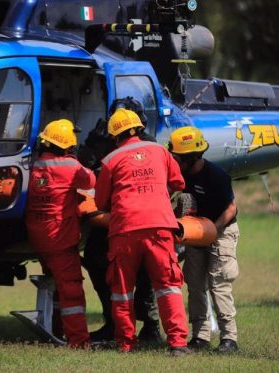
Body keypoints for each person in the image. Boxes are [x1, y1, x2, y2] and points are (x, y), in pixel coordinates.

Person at [94, 108, 190, 356]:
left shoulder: (110, 160)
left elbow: (100, 202)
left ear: (114, 135)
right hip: (159, 227)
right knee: (168, 286)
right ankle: (178, 344)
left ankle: (126, 344)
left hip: (124, 230)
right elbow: (179, 183)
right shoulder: (160, 151)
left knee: (122, 290)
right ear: (138, 128)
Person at [79, 97, 161, 343]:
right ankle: (114, 321)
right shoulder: (103, 139)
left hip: (142, 217)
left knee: (148, 272)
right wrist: (94, 142)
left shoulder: (149, 145)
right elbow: (85, 166)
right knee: (95, 260)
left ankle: (150, 324)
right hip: (110, 217)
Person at [168, 126, 240, 353]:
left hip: (222, 229)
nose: (174, 161)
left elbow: (231, 208)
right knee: (195, 284)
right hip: (196, 231)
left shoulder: (217, 176)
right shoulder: (182, 175)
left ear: (191, 157)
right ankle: (200, 337)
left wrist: (213, 231)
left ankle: (229, 339)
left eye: (177, 157)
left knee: (219, 284)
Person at [25, 119, 96, 348]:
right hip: (61, 240)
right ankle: (78, 341)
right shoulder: (70, 166)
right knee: (72, 291)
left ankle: (56, 329)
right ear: (69, 146)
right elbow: (91, 180)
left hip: (38, 238)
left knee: (55, 287)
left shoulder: (32, 166)